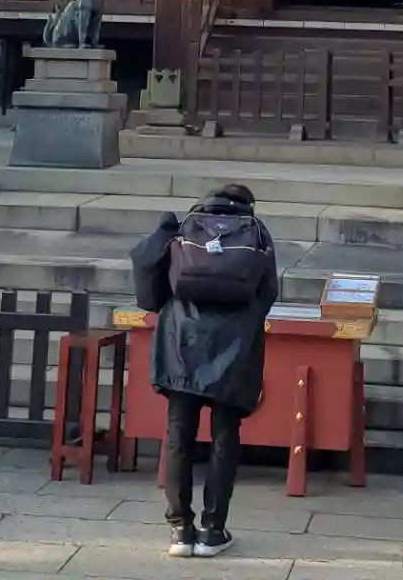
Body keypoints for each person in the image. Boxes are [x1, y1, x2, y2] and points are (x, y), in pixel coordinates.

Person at [130, 182, 278, 559]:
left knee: (178, 433)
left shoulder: (187, 227)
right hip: (235, 343)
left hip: (183, 340)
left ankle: (180, 528)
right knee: (225, 435)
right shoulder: (257, 233)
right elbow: (268, 294)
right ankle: (213, 530)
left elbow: (151, 284)